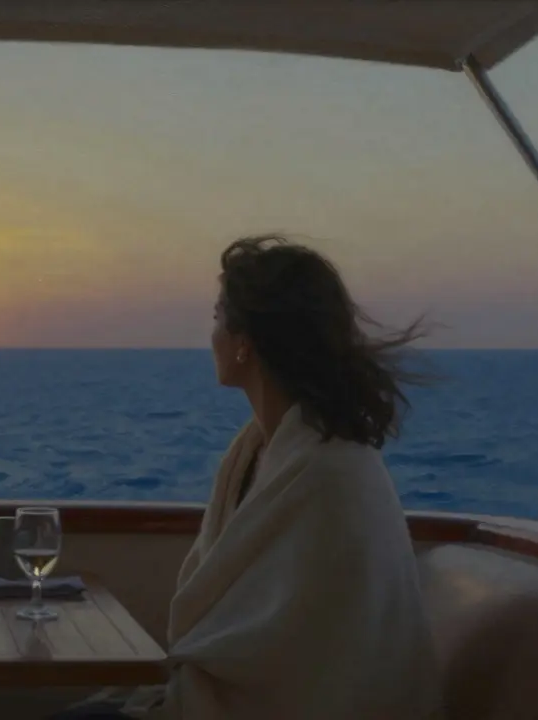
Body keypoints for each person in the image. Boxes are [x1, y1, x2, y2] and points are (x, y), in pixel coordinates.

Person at [53, 235, 442, 719]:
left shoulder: (330, 473)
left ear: (244, 343)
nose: (211, 334)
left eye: (218, 317)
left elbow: (304, 658)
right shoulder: (259, 449)